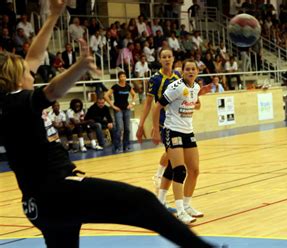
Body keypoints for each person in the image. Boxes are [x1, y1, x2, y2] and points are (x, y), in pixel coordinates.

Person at [0, 1, 215, 247]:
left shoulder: (10, 103)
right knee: (141, 201)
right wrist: (79, 67)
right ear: (14, 79)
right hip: (58, 193)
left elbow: (34, 56)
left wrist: (54, 16)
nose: (31, 74)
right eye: (27, 73)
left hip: (41, 204)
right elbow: (52, 90)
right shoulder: (17, 103)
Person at [151, 59, 204, 224]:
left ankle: (187, 205)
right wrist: (155, 129)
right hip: (172, 130)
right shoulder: (176, 87)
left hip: (188, 132)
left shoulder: (196, 87)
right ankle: (180, 212)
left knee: (194, 170)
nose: (190, 71)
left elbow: (195, 105)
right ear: (182, 72)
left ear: (197, 71)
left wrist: (200, 96)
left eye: (193, 69)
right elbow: (157, 106)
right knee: (179, 170)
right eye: (187, 69)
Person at [136, 48, 180, 203]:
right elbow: (148, 104)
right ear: (160, 60)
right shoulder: (155, 79)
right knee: (172, 152)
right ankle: (160, 180)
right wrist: (142, 125)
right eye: (164, 57)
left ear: (173, 58)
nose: (167, 59)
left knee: (173, 154)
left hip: (178, 120)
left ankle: (159, 178)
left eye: (169, 56)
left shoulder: (178, 76)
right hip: (163, 121)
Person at [104, 71, 136, 153]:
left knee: (127, 129)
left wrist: (132, 104)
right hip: (118, 109)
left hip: (127, 109)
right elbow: (106, 96)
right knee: (119, 128)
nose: (123, 78)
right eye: (121, 76)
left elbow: (134, 95)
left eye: (124, 76)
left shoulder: (128, 86)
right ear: (119, 78)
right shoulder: (115, 87)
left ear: (126, 77)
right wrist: (113, 106)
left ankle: (126, 146)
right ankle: (117, 146)